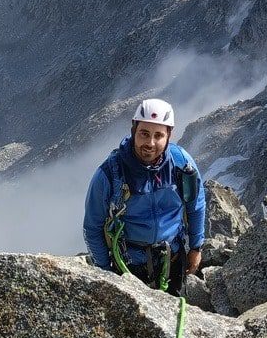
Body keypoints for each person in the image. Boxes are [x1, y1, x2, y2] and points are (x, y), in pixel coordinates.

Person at [83, 98, 206, 295]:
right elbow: (92, 227)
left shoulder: (181, 163)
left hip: (173, 261)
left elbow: (196, 204)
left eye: (158, 135)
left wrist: (196, 247)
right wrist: (105, 273)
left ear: (168, 136)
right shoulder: (109, 174)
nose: (150, 143)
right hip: (129, 269)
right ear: (133, 131)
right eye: (144, 134)